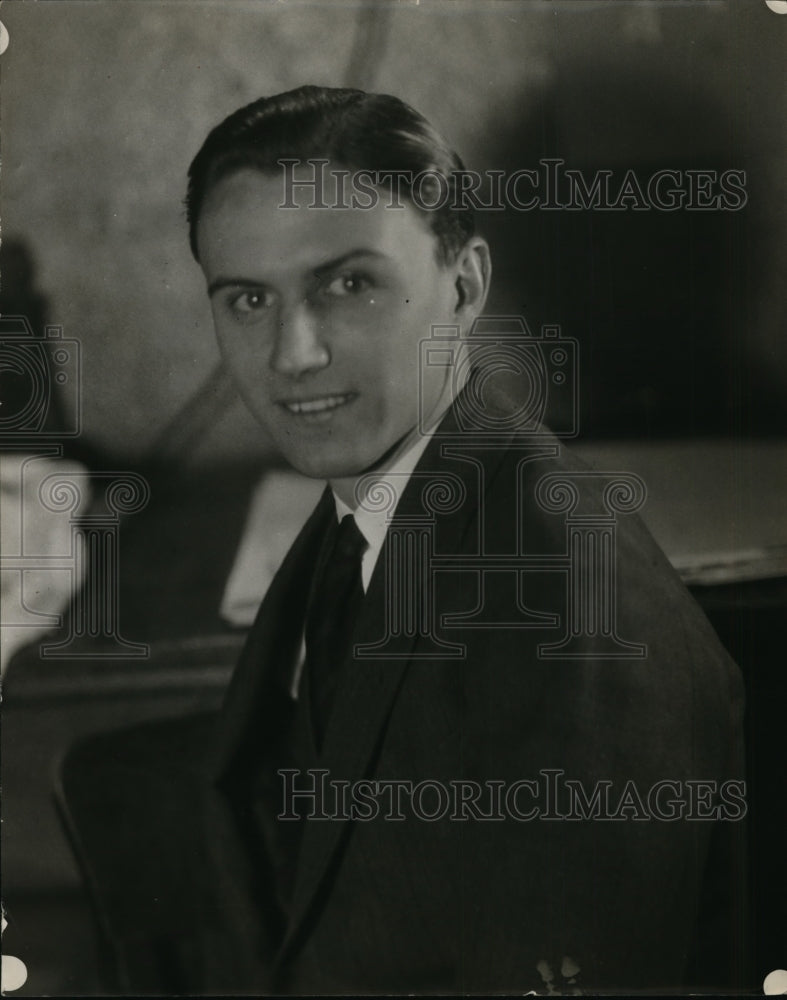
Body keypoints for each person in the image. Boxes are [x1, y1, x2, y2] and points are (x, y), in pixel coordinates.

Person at [60, 86, 746, 995]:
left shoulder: (570, 613)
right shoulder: (378, 498)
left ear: (464, 287)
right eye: (248, 298)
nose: (292, 353)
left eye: (349, 284)